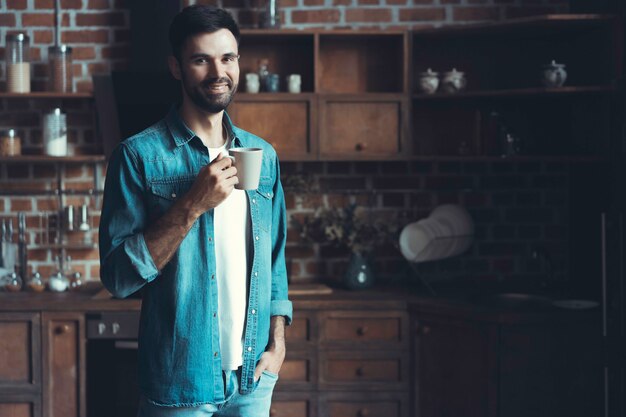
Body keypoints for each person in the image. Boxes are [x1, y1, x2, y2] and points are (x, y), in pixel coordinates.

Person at [98, 5, 292, 416]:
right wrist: (192, 203)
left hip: (252, 381)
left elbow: (274, 260)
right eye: (200, 59)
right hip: (178, 383)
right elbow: (118, 277)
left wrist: (278, 342)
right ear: (176, 67)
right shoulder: (138, 156)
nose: (217, 71)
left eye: (227, 58)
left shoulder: (264, 156)